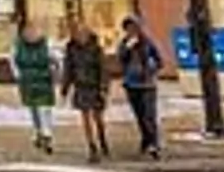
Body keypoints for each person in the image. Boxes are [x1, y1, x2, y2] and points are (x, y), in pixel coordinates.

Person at [60, 20, 111, 162]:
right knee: (85, 118)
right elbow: (68, 69)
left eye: (82, 33)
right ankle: (92, 146)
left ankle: (102, 139)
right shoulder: (71, 49)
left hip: (94, 86)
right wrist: (65, 88)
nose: (79, 36)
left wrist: (103, 88)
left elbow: (103, 70)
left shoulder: (96, 49)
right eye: (76, 33)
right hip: (81, 87)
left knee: (98, 118)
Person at [116, 13, 164, 159]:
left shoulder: (147, 42)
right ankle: (146, 139)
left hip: (147, 84)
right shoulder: (125, 43)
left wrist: (152, 69)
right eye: (128, 27)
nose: (131, 30)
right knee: (140, 115)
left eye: (133, 27)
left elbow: (159, 60)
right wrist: (128, 48)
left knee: (150, 114)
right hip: (132, 84)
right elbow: (121, 59)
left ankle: (154, 143)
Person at [10, 26, 57, 154]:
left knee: (43, 107)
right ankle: (40, 131)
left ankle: (45, 132)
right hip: (31, 80)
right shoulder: (19, 45)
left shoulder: (46, 44)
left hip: (39, 79)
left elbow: (55, 59)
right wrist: (18, 75)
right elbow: (13, 61)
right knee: (35, 107)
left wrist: (54, 70)